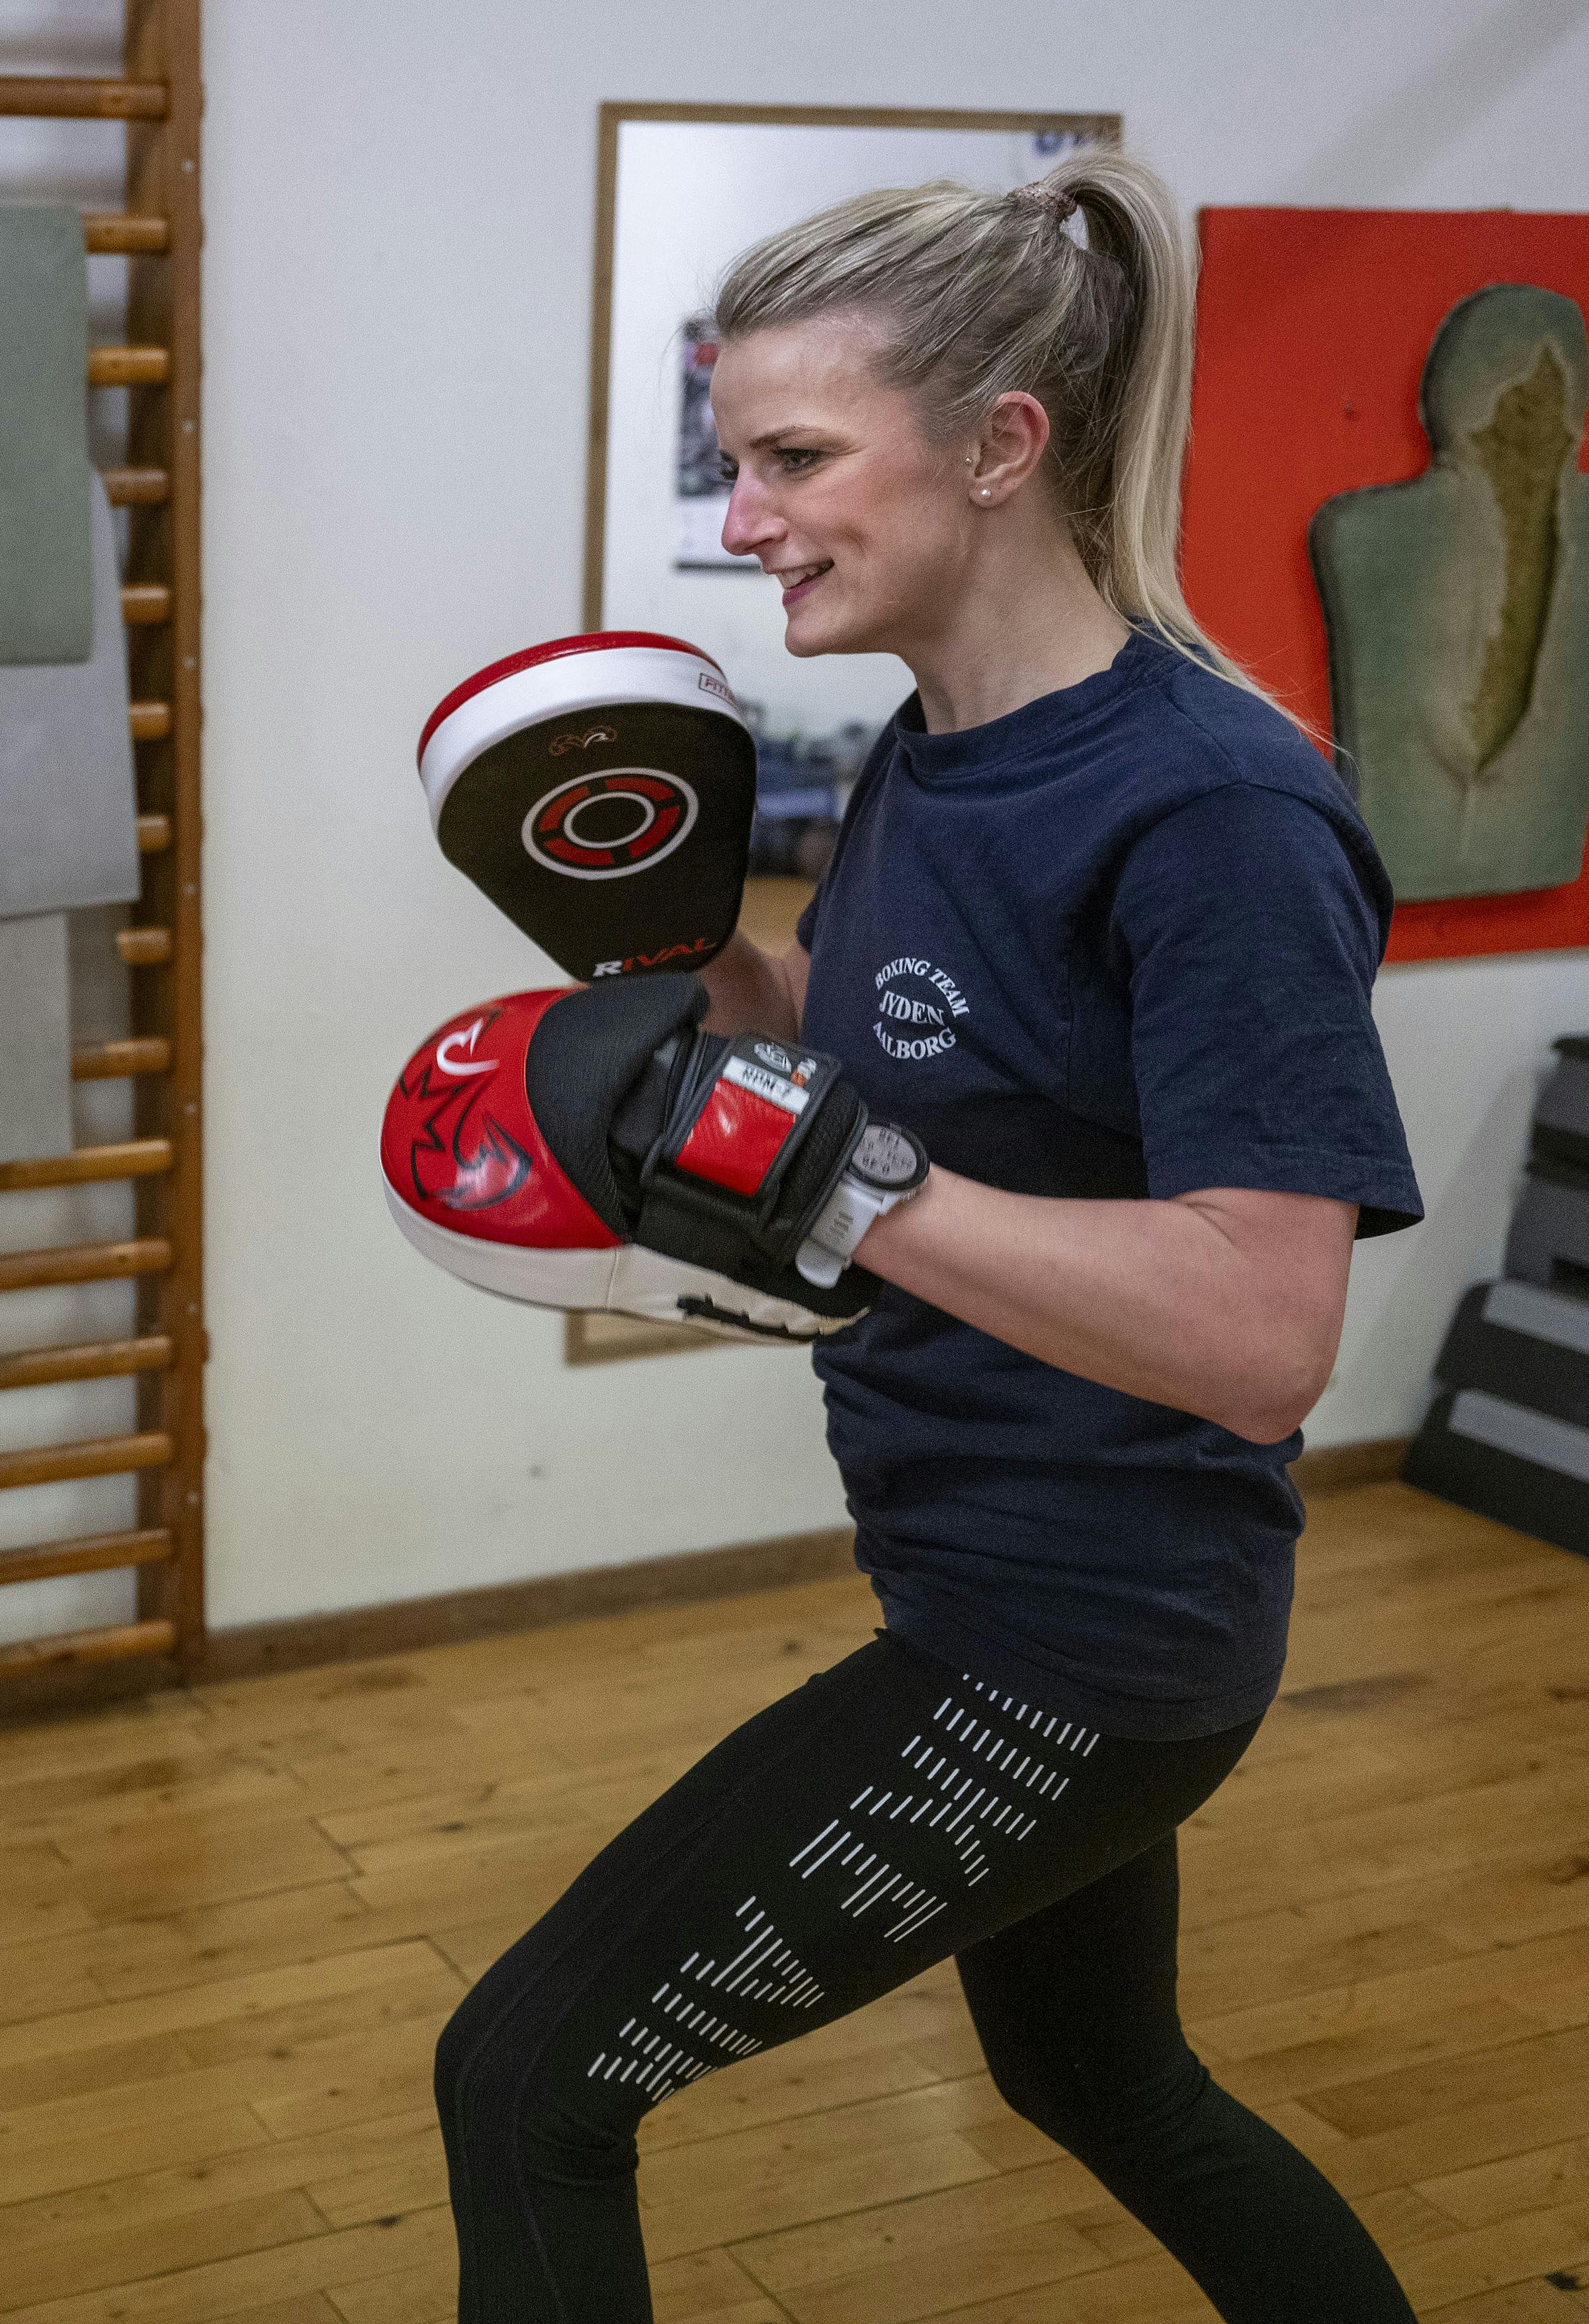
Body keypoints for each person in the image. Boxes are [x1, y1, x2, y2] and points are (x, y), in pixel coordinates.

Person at [427, 150, 1423, 2319]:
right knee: (1113, 2085)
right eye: (733, 457)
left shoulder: (1213, 817)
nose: (743, 515)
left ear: (998, 447)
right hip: (990, 1571)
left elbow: (1264, 1329)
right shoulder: (934, 746)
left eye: (791, 456)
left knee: (522, 2081)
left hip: (1074, 1642)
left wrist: (841, 1183)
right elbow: (902, 1077)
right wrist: (678, 962)